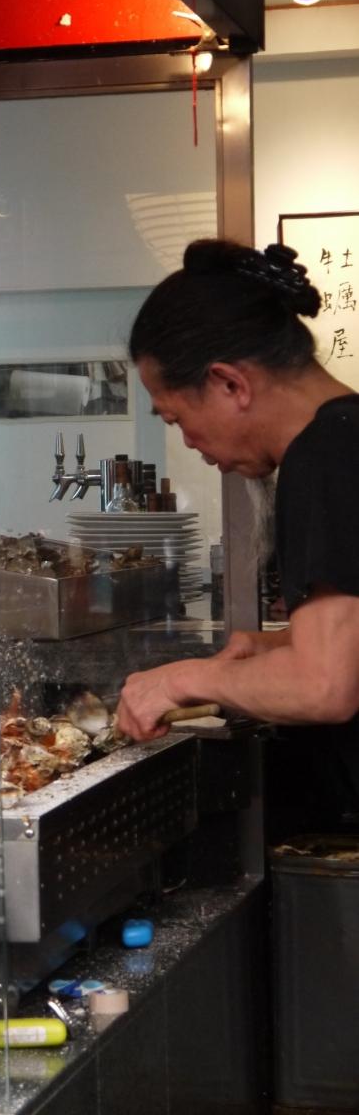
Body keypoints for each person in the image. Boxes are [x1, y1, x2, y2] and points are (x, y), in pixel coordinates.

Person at [117, 238, 359, 820]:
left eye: (177, 418)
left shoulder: (323, 458)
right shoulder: (347, 435)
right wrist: (278, 647)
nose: (190, 444)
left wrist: (179, 681)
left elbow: (325, 687)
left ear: (230, 383)